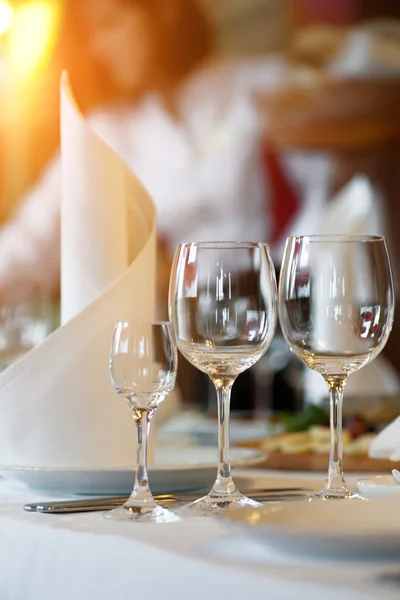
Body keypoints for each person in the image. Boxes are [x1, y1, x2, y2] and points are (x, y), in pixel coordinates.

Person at [0, 0, 332, 306]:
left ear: (163, 11)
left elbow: (332, 190)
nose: (98, 48)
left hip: (279, 315)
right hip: (181, 338)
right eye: (89, 35)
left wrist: (288, 275)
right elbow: (29, 241)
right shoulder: (106, 131)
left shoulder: (258, 87)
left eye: (110, 24)